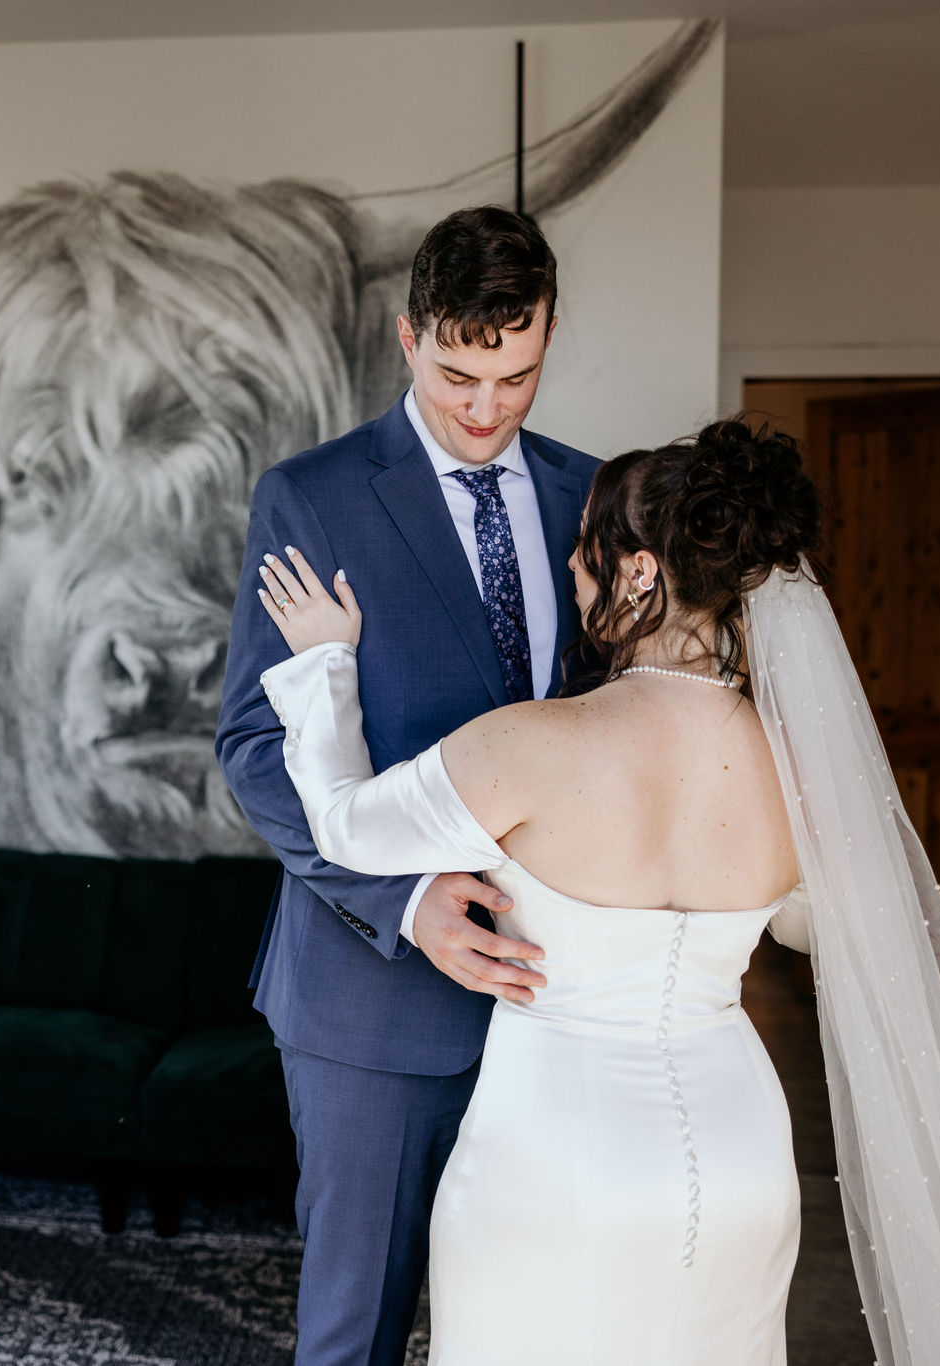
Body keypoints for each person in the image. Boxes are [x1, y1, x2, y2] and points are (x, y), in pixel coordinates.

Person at [247, 420, 940, 1364]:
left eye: (587, 553)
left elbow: (346, 822)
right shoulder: (798, 767)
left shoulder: (535, 743)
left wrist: (324, 666)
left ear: (639, 572)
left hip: (554, 1152)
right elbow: (817, 924)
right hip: (741, 1153)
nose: (571, 568)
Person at [215, 205, 599, 1366]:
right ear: (404, 337)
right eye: (455, 375)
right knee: (355, 1335)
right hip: (367, 1004)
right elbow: (250, 745)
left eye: (516, 375)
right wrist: (404, 900)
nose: (484, 410)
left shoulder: (596, 496)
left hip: (559, 1004)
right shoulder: (313, 495)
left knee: (530, 1329)